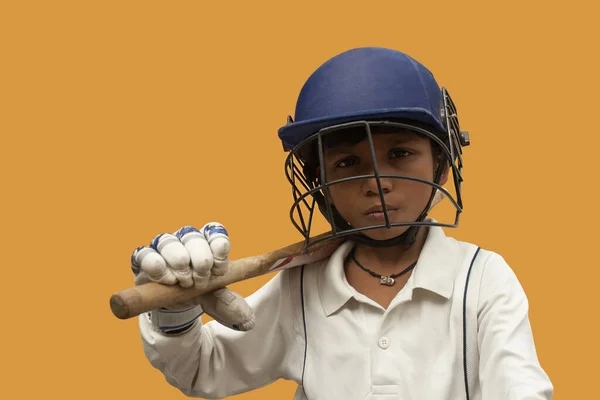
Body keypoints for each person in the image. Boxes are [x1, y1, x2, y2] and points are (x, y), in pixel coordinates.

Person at [131, 47, 553, 399]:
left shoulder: (482, 278)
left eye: (400, 153)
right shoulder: (302, 284)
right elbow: (205, 370)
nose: (377, 183)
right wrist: (175, 313)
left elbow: (520, 389)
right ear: (320, 184)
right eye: (349, 163)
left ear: (441, 164)